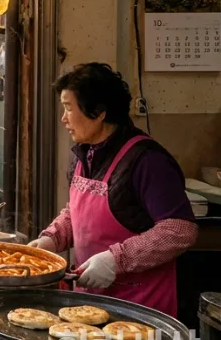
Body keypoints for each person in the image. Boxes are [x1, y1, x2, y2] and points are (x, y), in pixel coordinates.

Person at [28, 63, 196, 316]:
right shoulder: (83, 154)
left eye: (68, 108)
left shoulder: (148, 161)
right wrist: (51, 240)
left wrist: (116, 260)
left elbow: (180, 229)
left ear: (98, 112)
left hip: (139, 308)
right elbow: (77, 212)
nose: (63, 118)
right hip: (88, 304)